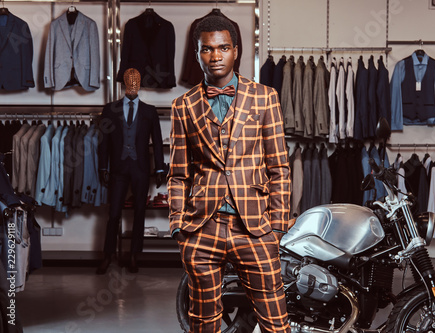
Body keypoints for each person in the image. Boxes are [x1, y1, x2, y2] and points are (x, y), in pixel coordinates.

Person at [167, 15, 291, 333]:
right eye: (207, 49)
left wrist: (276, 228)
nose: (216, 56)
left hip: (255, 229)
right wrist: (179, 227)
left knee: (276, 322)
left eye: (223, 47)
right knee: (203, 323)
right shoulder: (183, 105)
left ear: (236, 50)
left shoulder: (265, 98)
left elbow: (279, 168)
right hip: (202, 228)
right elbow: (178, 173)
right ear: (196, 54)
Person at [97, 68, 166, 274]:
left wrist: (160, 167)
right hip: (118, 167)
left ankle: (134, 255)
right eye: (130, 80)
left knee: (139, 212)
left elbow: (158, 142)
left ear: (140, 84)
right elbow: (103, 142)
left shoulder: (149, 111)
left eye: (137, 81)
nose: (133, 84)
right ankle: (108, 255)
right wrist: (103, 166)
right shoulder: (110, 109)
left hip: (141, 168)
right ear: (125, 83)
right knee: (114, 214)